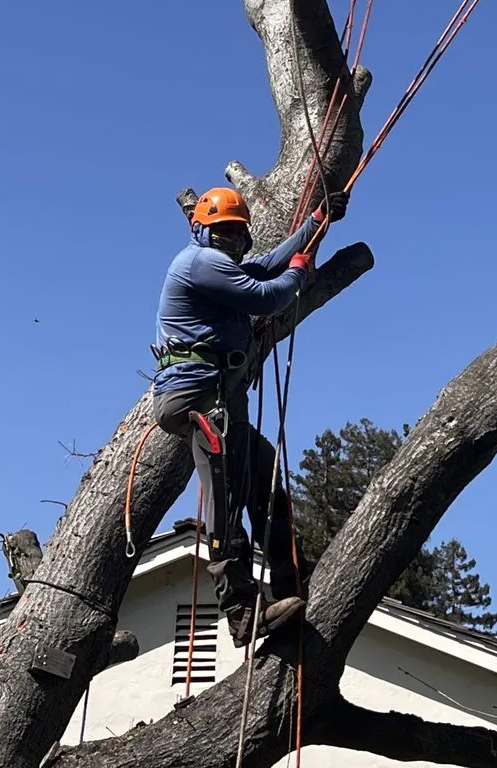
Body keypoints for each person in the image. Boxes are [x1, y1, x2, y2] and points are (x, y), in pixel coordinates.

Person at [152, 185, 348, 646]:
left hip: (221, 398)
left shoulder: (221, 264)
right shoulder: (199, 263)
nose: (232, 243)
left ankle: (290, 584)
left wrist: (317, 221)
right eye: (223, 233)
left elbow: (267, 264)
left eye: (238, 235)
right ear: (202, 230)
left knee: (266, 480)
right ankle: (240, 610)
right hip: (198, 397)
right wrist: (300, 273)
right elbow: (268, 294)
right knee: (224, 498)